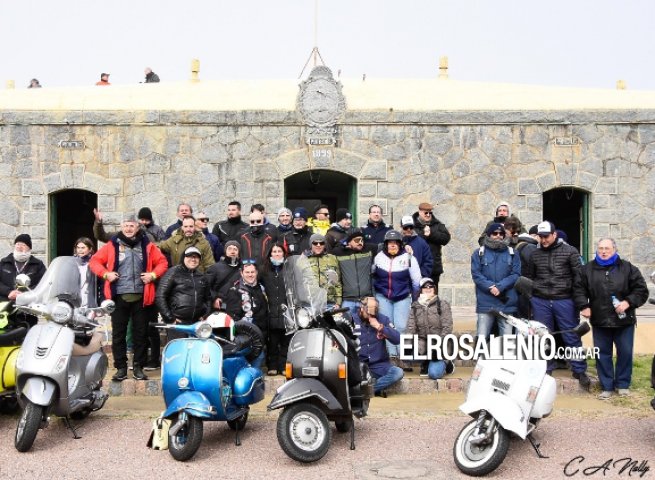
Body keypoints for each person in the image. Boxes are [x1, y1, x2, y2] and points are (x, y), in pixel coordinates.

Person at [89, 215, 168, 381]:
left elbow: (162, 263)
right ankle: (121, 368)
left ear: (138, 227)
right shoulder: (112, 245)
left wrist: (152, 275)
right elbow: (95, 261)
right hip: (118, 297)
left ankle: (138, 367)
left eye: (132, 225)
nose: (129, 229)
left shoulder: (148, 245)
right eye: (126, 225)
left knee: (141, 334)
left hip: (142, 297)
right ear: (121, 226)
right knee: (119, 335)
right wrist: (106, 274)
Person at [573, 238, 649, 399]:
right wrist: (583, 306)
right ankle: (606, 386)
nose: (603, 251)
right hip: (600, 320)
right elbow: (578, 290)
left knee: (625, 353)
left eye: (607, 248)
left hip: (624, 320)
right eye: (600, 248)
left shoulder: (628, 268)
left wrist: (628, 302)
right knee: (602, 354)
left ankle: (622, 384)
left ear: (614, 249)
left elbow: (641, 290)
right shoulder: (587, 269)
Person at [527, 220, 590, 390]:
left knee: (571, 336)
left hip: (564, 299)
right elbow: (530, 277)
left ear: (554, 234)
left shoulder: (570, 252)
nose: (544, 240)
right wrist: (531, 298)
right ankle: (546, 369)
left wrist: (581, 303)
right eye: (541, 237)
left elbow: (579, 279)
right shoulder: (535, 254)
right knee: (543, 337)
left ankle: (579, 369)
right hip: (541, 300)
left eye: (546, 236)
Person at [372, 230, 421, 366]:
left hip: (402, 297)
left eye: (395, 243)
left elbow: (416, 280)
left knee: (401, 326)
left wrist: (415, 297)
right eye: (390, 243)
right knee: (387, 326)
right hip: (383, 296)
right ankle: (392, 356)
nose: (392, 245)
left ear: (400, 244)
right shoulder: (379, 257)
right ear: (385, 244)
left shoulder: (409, 258)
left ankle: (403, 356)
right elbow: (373, 275)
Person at [471, 223, 521, 340]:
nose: (498, 236)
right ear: (488, 235)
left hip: (506, 302)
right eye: (495, 233)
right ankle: (481, 357)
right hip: (486, 302)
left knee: (507, 340)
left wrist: (500, 287)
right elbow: (476, 274)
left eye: (501, 234)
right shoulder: (478, 253)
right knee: (482, 338)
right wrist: (490, 287)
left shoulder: (513, 253)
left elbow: (516, 274)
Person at [155, 247, 212, 342]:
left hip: (197, 324)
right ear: (183, 258)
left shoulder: (202, 276)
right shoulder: (173, 272)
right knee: (178, 352)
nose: (193, 259)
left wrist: (206, 315)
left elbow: (208, 298)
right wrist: (169, 318)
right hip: (178, 323)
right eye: (190, 256)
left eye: (196, 257)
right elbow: (160, 296)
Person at [353, 296, 403, 397]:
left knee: (398, 372)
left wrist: (380, 327)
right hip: (359, 364)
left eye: (373, 314)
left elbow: (398, 339)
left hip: (379, 365)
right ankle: (374, 388)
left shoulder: (382, 319)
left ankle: (368, 390)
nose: (371, 316)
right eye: (368, 314)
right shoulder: (352, 319)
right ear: (362, 308)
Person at [406, 278, 454, 378]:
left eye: (431, 286)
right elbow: (411, 328)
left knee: (434, 374)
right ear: (421, 290)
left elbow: (447, 327)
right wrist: (407, 345)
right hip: (423, 342)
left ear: (434, 288)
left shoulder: (442, 304)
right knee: (409, 355)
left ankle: (447, 363)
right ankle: (426, 361)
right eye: (425, 287)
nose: (428, 288)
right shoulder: (415, 307)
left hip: (440, 343)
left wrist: (438, 346)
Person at [223, 261, 267, 369]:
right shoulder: (235, 290)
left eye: (252, 272)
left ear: (256, 273)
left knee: (257, 367)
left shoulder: (261, 289)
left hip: (260, 337)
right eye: (247, 272)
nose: (250, 275)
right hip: (243, 339)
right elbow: (232, 316)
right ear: (242, 273)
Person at [0, 234, 47, 327]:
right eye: (17, 244)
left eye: (23, 245)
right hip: (5, 308)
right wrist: (8, 292)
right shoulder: (4, 262)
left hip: (28, 309)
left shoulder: (38, 264)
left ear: (29, 248)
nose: (19, 247)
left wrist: (26, 294)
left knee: (27, 336)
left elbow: (43, 284)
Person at [259, 243, 290, 375]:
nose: (277, 254)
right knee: (272, 341)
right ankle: (272, 366)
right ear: (270, 254)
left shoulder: (288, 269)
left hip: (286, 311)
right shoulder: (264, 270)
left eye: (279, 251)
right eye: (274, 252)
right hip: (270, 311)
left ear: (283, 254)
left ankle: (283, 366)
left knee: (285, 341)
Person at [332, 229, 377, 317]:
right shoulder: (338, 253)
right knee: (347, 327)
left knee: (367, 328)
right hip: (348, 301)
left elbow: (387, 245)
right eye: (356, 240)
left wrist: (405, 246)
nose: (360, 243)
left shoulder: (369, 249)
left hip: (366, 300)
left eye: (362, 240)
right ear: (348, 242)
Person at [412, 202, 451, 292]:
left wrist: (431, 234)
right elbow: (409, 240)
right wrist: (424, 235)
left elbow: (446, 238)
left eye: (430, 213)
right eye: (426, 213)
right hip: (416, 267)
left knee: (433, 294)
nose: (428, 215)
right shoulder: (412, 225)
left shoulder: (437, 224)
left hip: (434, 267)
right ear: (420, 212)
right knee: (417, 294)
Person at [305, 234, 342, 307]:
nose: (318, 245)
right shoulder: (303, 260)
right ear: (311, 245)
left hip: (329, 303)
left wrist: (338, 302)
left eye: (321, 243)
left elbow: (337, 282)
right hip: (310, 303)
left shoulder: (332, 258)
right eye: (315, 243)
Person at [207, 240, 242, 308]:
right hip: (220, 305)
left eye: (235, 249)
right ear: (225, 251)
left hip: (238, 306)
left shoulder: (243, 269)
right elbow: (206, 286)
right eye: (229, 249)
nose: (232, 251)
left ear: (239, 252)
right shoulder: (215, 267)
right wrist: (215, 298)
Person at [73, 237, 99, 308]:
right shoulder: (72, 263)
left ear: (90, 249)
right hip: (74, 300)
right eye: (78, 248)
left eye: (83, 248)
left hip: (89, 301)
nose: (80, 250)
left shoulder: (95, 263)